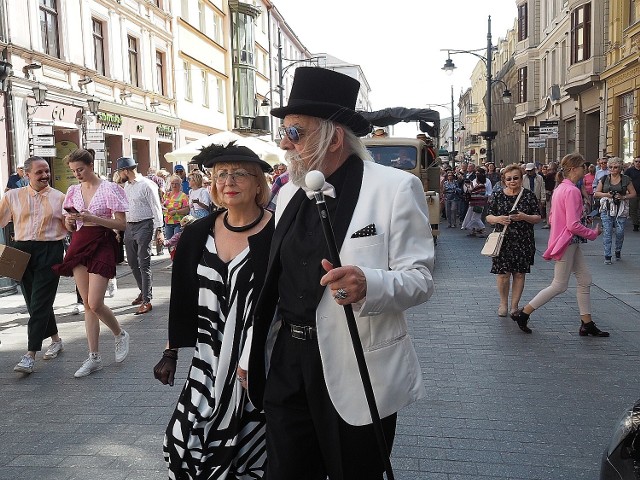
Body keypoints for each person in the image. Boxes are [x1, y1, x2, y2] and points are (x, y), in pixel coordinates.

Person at [247, 67, 435, 480]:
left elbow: (420, 278)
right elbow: (272, 285)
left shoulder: (394, 188)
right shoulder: (291, 191)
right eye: (284, 132)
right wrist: (250, 355)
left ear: (333, 137)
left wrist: (370, 284)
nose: (284, 143)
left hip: (357, 368)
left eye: (295, 132)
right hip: (287, 364)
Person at [154, 141, 274, 479]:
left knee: (249, 452)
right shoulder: (197, 233)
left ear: (258, 183)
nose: (229, 181)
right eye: (221, 175)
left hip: (256, 363)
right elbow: (181, 299)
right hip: (207, 361)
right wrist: (171, 351)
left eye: (239, 174)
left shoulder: (279, 232)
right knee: (181, 443)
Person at [52, 149, 131, 377]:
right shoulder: (73, 191)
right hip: (79, 242)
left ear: (90, 165)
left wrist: (91, 218)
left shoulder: (108, 188)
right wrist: (69, 220)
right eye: (74, 171)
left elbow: (121, 224)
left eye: (80, 169)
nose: (77, 174)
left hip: (103, 243)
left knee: (95, 303)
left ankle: (119, 333)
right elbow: (70, 226)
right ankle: (93, 357)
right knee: (87, 304)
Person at [511, 153, 608, 337]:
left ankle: (586, 322)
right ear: (573, 169)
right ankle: (524, 313)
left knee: (585, 279)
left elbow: (554, 217)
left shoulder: (561, 188)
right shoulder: (571, 190)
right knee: (559, 285)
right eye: (582, 167)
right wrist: (593, 233)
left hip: (567, 240)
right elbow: (572, 224)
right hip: (568, 240)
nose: (585, 170)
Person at [0, 157, 67, 374]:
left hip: (51, 250)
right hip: (21, 249)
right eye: (39, 172)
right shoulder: (12, 196)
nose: (45, 175)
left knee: (40, 301)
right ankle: (55, 339)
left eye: (47, 171)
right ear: (26, 174)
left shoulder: (60, 198)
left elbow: (70, 226)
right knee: (33, 301)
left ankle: (30, 355)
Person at [486, 164, 541, 317]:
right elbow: (489, 217)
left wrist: (524, 216)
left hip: (523, 240)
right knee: (503, 274)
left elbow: (538, 217)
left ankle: (514, 306)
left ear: (521, 178)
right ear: (504, 180)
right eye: (508, 179)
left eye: (515, 178)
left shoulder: (528, 195)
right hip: (502, 240)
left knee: (519, 274)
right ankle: (503, 303)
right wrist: (499, 219)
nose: (512, 181)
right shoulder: (497, 195)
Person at [118, 157, 163, 315]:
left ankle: (147, 300)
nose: (119, 175)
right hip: (130, 226)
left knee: (144, 263)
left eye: (119, 171)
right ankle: (143, 291)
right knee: (131, 261)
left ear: (126, 170)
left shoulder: (147, 185)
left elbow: (156, 208)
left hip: (145, 224)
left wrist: (159, 230)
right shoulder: (127, 186)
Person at [594, 156, 637, 264]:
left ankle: (618, 250)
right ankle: (607, 255)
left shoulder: (626, 179)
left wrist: (622, 197)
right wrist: (607, 195)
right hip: (607, 208)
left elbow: (633, 193)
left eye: (616, 167)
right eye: (611, 167)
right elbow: (596, 193)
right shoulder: (604, 179)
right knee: (607, 231)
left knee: (620, 231)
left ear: (620, 168)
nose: (613, 169)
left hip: (621, 208)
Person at [461, 167, 492, 237]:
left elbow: (473, 192)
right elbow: (472, 191)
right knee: (474, 217)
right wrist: (470, 186)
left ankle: (480, 228)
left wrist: (470, 186)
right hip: (474, 203)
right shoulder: (477, 183)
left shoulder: (482, 185)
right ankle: (473, 230)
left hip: (479, 203)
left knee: (476, 218)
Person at [162, 174, 189, 242]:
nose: (174, 186)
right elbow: (162, 206)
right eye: (172, 183)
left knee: (176, 243)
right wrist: (163, 207)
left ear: (180, 184)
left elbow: (187, 210)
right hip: (167, 222)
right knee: (169, 243)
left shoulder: (183, 196)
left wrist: (176, 211)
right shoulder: (166, 195)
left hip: (178, 223)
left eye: (176, 184)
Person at [624, 156, 640, 231]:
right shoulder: (629, 171)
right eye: (636, 161)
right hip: (633, 193)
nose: (638, 163)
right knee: (633, 209)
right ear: (634, 162)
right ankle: (635, 224)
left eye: (639, 162)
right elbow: (624, 180)